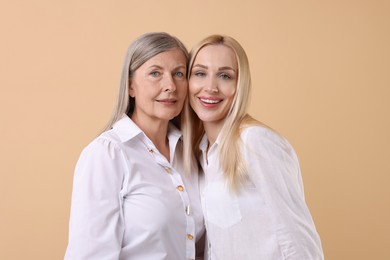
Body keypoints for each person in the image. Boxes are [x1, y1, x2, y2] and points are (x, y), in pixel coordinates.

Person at [65, 32, 205, 260]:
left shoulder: (191, 152)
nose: (170, 85)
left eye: (178, 73)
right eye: (155, 73)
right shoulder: (107, 154)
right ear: (130, 86)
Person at [183, 34, 324, 259]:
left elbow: (297, 237)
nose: (210, 87)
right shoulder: (202, 154)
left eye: (224, 76)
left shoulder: (255, 141)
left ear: (240, 85)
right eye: (200, 73)